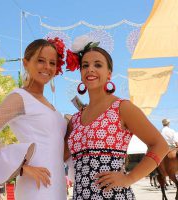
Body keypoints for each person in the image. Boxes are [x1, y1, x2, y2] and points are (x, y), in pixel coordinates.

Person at [64, 35, 169, 199]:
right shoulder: (75, 119)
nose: (90, 69)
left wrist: (129, 179)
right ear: (81, 73)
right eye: (85, 65)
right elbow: (59, 156)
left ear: (109, 74)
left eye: (97, 65)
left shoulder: (122, 107)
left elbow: (160, 145)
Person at [0, 38, 68, 200]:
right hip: (35, 188)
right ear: (26, 63)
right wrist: (20, 167)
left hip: (58, 186)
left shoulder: (51, 107)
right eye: (40, 61)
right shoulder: (20, 97)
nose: (47, 67)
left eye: (52, 63)